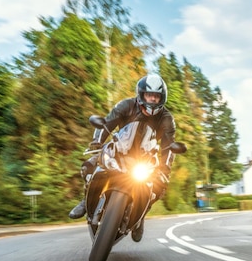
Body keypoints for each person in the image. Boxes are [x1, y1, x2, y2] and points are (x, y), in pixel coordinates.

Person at [68, 73, 177, 242]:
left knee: (158, 187)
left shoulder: (166, 119)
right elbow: (107, 123)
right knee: (89, 166)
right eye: (149, 95)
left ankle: (140, 218)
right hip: (119, 150)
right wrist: (97, 142)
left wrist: (165, 169)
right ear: (141, 94)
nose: (152, 100)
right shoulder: (126, 105)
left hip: (145, 158)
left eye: (156, 97)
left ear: (162, 98)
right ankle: (85, 200)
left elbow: (168, 147)